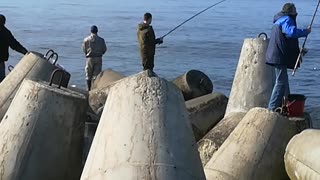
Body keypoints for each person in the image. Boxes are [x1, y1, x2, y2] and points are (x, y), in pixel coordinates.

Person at [265, 3, 311, 111]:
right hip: (278, 56)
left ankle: (287, 105)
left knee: (284, 81)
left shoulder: (279, 19)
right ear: (290, 11)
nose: (296, 11)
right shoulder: (286, 19)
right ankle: (271, 108)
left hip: (276, 54)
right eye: (295, 9)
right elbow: (291, 32)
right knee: (281, 81)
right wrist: (305, 32)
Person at [0, 14, 28, 82]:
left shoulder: (5, 32)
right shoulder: (5, 32)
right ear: (4, 22)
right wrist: (25, 52)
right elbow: (15, 45)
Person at [82, 25, 107, 91]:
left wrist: (86, 54)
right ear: (97, 31)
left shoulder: (86, 40)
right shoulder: (101, 40)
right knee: (97, 75)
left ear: (91, 31)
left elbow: (84, 49)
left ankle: (88, 89)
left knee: (88, 75)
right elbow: (104, 49)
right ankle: (95, 89)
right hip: (98, 58)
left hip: (89, 58)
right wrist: (100, 53)